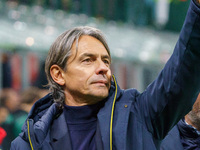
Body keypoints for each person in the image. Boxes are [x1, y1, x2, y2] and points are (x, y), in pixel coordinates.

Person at [11, 0, 200, 149]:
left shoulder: (140, 115)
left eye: (106, 61)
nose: (103, 68)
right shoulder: (30, 142)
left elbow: (181, 74)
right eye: (88, 60)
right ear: (58, 74)